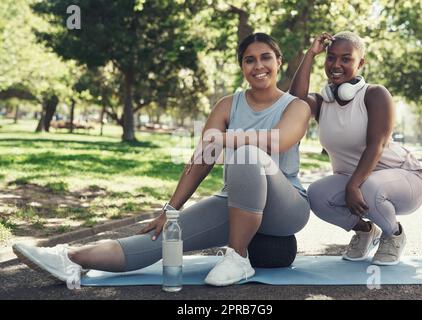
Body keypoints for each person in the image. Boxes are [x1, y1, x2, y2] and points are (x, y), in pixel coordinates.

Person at [13, 33, 311, 286]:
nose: (258, 65)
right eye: (249, 59)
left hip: (285, 208)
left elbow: (279, 140)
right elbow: (201, 161)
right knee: (158, 239)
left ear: (279, 61)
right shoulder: (227, 106)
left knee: (247, 154)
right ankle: (70, 258)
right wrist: (170, 210)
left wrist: (224, 139)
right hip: (234, 202)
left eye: (266, 57)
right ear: (242, 67)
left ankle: (238, 258)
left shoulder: (296, 106)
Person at [290, 31, 422, 265]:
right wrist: (310, 55)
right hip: (359, 182)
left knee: (371, 186)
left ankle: (393, 234)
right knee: (316, 194)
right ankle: (366, 231)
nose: (336, 65)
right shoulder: (324, 101)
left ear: (360, 63)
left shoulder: (375, 94)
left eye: (346, 59)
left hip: (404, 180)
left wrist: (354, 185)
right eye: (331, 58)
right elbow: (294, 103)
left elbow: (377, 144)